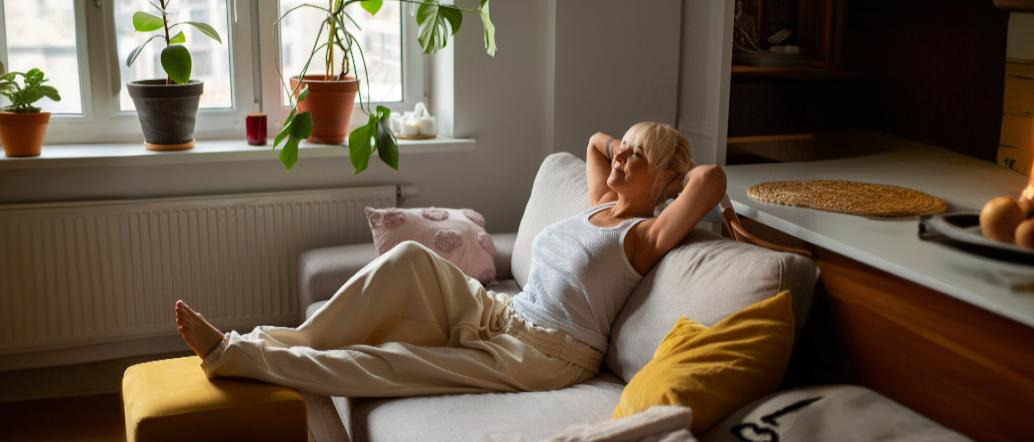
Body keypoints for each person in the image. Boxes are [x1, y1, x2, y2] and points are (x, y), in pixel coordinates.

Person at [174, 121, 726, 397]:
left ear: (667, 180)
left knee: (387, 360)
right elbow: (594, 142)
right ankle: (267, 339)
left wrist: (668, 169)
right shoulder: (600, 205)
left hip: (549, 353)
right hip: (502, 312)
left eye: (639, 157)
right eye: (625, 152)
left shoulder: (644, 233)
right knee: (410, 258)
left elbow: (710, 178)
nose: (622, 157)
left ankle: (233, 355)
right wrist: (632, 144)